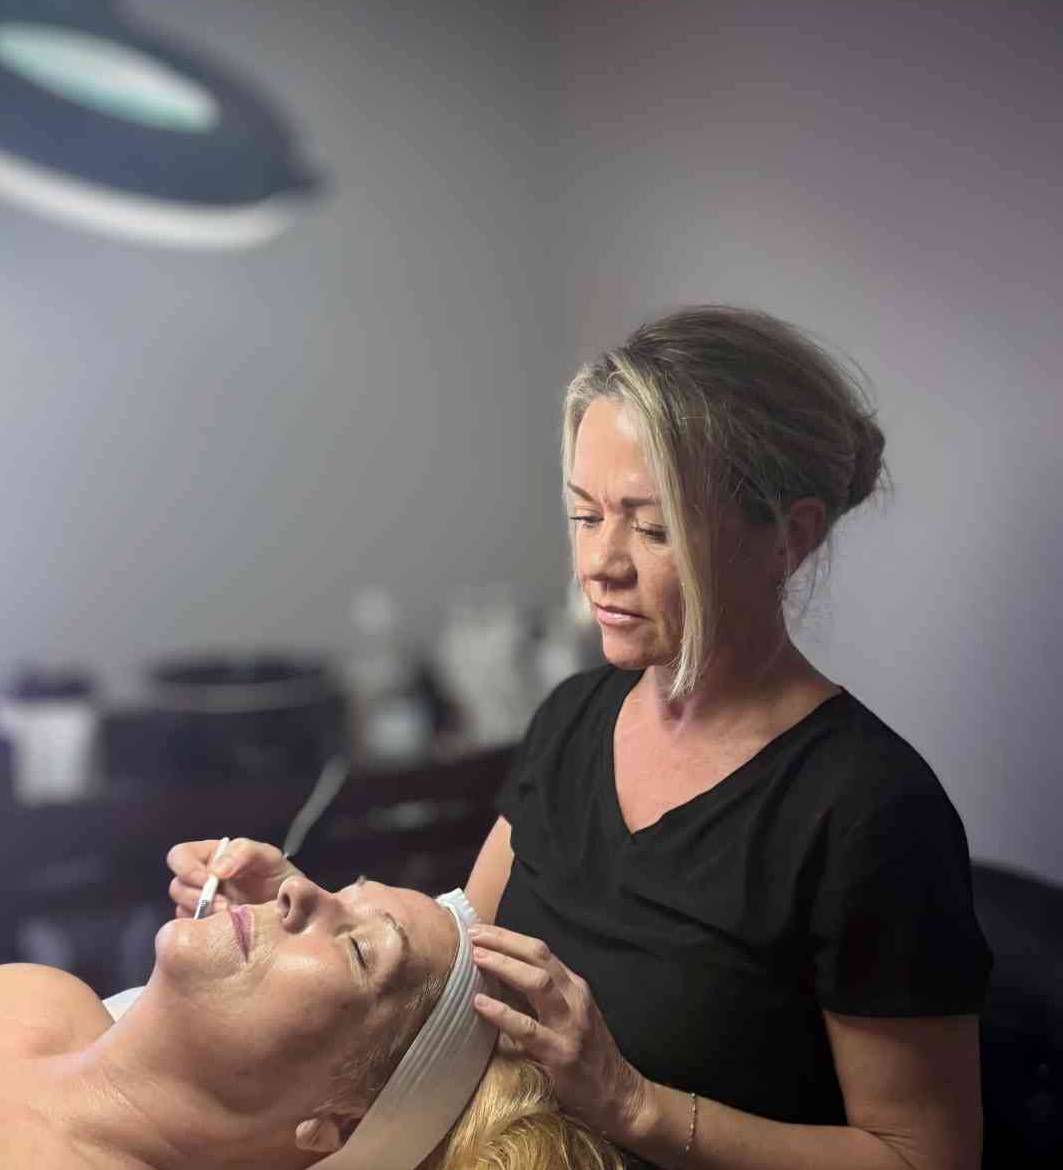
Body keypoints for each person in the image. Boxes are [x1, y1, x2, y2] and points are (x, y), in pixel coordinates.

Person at [170, 304, 993, 1170]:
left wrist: (633, 1106)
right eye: (584, 515)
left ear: (789, 535)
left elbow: (923, 1156)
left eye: (652, 526)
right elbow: (464, 962)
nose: (599, 562)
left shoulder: (866, 808)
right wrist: (310, 913)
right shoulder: (575, 717)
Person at [0, 871, 622, 1170]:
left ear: (334, 1121)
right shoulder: (41, 998)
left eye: (358, 950)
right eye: (341, 894)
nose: (297, 890)